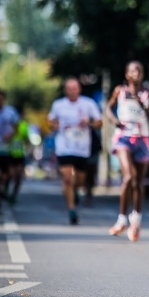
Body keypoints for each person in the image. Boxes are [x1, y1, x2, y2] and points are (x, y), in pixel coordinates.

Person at [105, 61, 149, 242]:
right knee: (128, 177)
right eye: (133, 71)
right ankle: (121, 219)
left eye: (139, 71)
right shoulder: (120, 91)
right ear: (127, 74)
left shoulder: (148, 93)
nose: (136, 73)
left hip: (143, 138)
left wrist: (142, 105)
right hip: (124, 137)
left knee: (138, 182)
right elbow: (108, 108)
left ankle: (136, 219)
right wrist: (114, 120)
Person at [48, 78, 102, 225]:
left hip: (82, 148)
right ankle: (72, 210)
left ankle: (75, 192)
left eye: (75, 88)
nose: (72, 90)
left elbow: (99, 122)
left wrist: (89, 123)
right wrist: (55, 125)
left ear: (79, 89)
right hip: (64, 147)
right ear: (66, 90)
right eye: (69, 88)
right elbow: (51, 121)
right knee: (67, 178)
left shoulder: (88, 104)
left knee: (79, 180)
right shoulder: (58, 105)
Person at [7, 105, 30, 205]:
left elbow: (26, 139)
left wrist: (27, 147)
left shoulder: (24, 125)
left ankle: (14, 195)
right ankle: (5, 189)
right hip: (9, 153)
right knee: (10, 175)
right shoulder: (7, 124)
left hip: (20, 155)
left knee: (18, 176)